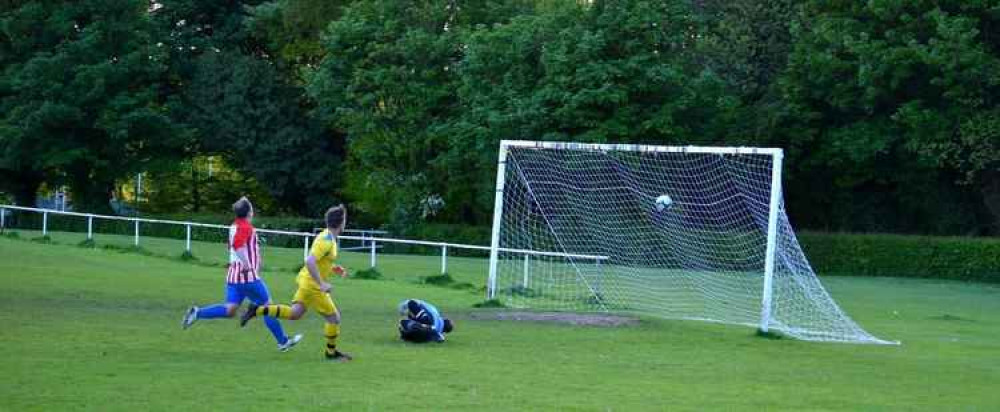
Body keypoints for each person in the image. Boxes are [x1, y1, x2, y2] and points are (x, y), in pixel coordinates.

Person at [181, 197, 302, 352]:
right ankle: (283, 341)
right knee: (269, 307)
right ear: (249, 212)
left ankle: (198, 313)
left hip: (233, 276)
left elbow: (231, 246)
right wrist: (247, 264)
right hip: (247, 276)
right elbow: (238, 246)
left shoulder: (234, 225)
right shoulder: (246, 227)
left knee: (230, 310)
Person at [240, 205, 352, 362]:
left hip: (307, 281)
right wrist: (322, 284)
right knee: (334, 318)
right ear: (341, 222)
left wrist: (333, 268)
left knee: (295, 313)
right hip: (313, 286)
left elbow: (320, 261)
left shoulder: (327, 236)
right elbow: (310, 261)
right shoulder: (326, 241)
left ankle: (257, 310)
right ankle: (330, 353)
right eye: (345, 219)